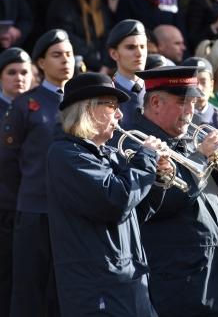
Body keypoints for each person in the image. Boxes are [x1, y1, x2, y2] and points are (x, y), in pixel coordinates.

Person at [46, 72, 169, 316]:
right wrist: (146, 159)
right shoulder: (66, 155)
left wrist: (158, 178)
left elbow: (137, 210)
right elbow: (115, 200)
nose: (120, 114)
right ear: (87, 109)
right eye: (112, 106)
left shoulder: (108, 153)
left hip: (130, 280)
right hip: (98, 288)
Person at [123, 65, 218, 317]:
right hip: (177, 286)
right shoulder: (135, 146)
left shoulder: (189, 142)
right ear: (155, 102)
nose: (191, 112)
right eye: (182, 103)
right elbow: (160, 203)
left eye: (194, 103)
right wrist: (203, 159)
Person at [0, 29, 74, 317]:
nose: (65, 61)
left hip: (72, 210)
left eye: (68, 54)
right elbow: (8, 162)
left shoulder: (81, 102)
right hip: (34, 209)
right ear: (41, 63)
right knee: (29, 290)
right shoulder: (25, 104)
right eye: (57, 55)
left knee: (64, 288)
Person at [0, 47, 32, 316]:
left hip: (30, 204)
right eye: (11, 72)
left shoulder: (40, 106)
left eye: (24, 72)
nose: (19, 78)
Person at [47, 0, 113, 72]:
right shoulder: (62, 6)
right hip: (76, 65)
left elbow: (107, 34)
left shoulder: (100, 1)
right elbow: (72, 41)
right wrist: (99, 66)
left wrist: (106, 63)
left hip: (102, 64)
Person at [108, 19, 148, 127]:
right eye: (131, 47)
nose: (139, 53)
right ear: (114, 54)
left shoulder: (156, 90)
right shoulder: (106, 94)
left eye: (143, 46)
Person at [182, 56, 218, 128]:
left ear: (211, 85)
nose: (199, 87)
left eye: (203, 82)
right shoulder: (177, 117)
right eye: (193, 83)